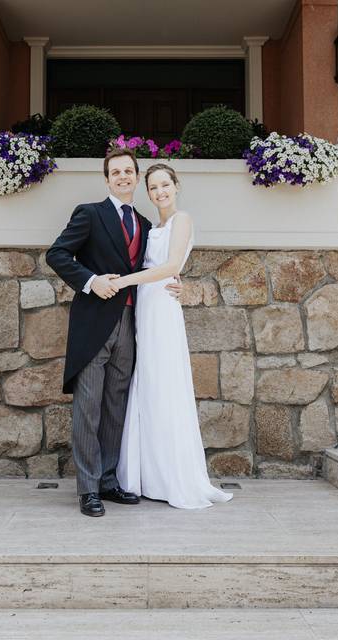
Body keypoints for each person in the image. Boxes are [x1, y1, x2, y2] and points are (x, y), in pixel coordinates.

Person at [45, 148, 181, 517]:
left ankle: (108, 480)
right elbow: (57, 254)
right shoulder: (89, 214)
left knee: (116, 407)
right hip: (94, 325)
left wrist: (178, 283)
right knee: (87, 408)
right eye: (115, 172)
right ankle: (88, 489)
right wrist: (90, 281)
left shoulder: (145, 224)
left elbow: (156, 269)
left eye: (128, 172)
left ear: (137, 178)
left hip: (132, 325)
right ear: (107, 180)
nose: (122, 177)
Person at [113, 163, 233, 509]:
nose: (160, 192)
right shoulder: (153, 226)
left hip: (162, 308)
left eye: (165, 184)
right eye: (152, 188)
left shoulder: (182, 220)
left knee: (165, 384)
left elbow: (170, 266)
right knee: (148, 384)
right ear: (147, 193)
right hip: (145, 308)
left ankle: (174, 478)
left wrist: (122, 281)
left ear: (176, 185)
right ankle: (148, 476)